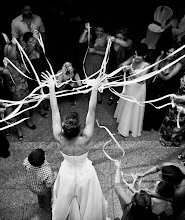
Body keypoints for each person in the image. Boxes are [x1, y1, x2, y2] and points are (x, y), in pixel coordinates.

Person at [43, 72, 108, 219]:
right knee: (89, 201)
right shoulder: (85, 138)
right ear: (80, 128)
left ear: (64, 128)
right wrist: (94, 88)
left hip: (67, 173)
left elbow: (54, 110)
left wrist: (52, 87)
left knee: (65, 198)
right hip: (86, 174)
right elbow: (91, 111)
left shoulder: (59, 138)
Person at [114, 43, 150, 137]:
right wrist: (123, 68)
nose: (136, 57)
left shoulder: (146, 66)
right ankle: (122, 120)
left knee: (132, 106)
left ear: (145, 56)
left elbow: (141, 80)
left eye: (139, 55)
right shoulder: (133, 59)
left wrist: (131, 71)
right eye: (135, 54)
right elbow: (120, 65)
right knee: (126, 103)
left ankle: (126, 128)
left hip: (138, 90)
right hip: (129, 86)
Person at [143, 47, 183, 132]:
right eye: (168, 51)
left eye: (172, 52)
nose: (169, 54)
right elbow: (154, 69)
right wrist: (160, 57)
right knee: (150, 103)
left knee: (161, 106)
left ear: (176, 54)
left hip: (167, 87)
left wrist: (158, 72)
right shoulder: (162, 59)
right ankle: (146, 124)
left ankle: (155, 125)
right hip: (156, 85)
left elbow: (167, 77)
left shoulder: (178, 64)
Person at [3, 41, 36, 130]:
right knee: (25, 106)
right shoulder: (7, 66)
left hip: (24, 85)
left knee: (27, 104)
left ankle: (27, 113)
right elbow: (14, 78)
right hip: (17, 90)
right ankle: (28, 121)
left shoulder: (17, 59)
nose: (16, 52)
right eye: (14, 50)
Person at [79, 22, 109, 103]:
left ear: (104, 31)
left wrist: (95, 51)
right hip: (89, 62)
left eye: (101, 31)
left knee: (98, 80)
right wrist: (86, 30)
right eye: (97, 30)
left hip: (99, 63)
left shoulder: (106, 38)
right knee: (90, 79)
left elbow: (106, 53)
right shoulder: (91, 36)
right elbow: (81, 41)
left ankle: (98, 97)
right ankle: (90, 96)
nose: (99, 33)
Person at [21, 32, 50, 117]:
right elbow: (27, 53)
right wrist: (33, 41)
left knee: (44, 88)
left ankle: (45, 104)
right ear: (26, 43)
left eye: (33, 40)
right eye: (30, 41)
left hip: (42, 72)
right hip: (34, 75)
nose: (33, 42)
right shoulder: (26, 51)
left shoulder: (38, 47)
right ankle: (41, 109)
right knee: (38, 91)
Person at [107, 27, 133, 106]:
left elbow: (127, 44)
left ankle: (119, 99)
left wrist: (114, 39)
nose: (118, 39)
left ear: (125, 37)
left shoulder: (128, 42)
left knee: (120, 84)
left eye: (120, 38)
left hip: (121, 66)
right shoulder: (112, 42)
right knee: (111, 82)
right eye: (117, 37)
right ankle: (112, 95)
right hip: (112, 65)